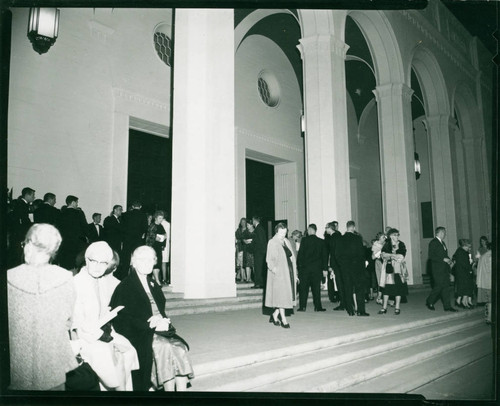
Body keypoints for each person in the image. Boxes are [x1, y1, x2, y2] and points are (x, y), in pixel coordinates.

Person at [110, 246, 194, 391]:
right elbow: (121, 319)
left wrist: (163, 321)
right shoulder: (125, 286)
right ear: (133, 262)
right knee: (165, 347)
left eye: (151, 259)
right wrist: (147, 324)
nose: (147, 263)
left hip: (159, 331)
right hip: (139, 333)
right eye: (143, 259)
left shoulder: (153, 284)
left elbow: (160, 311)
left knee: (180, 348)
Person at [7, 224, 78, 390]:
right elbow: (68, 321)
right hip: (52, 364)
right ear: (54, 250)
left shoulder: (9, 277)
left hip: (14, 367)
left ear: (29, 244)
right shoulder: (65, 278)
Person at [72, 242, 139, 391]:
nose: (97, 266)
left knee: (129, 351)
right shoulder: (76, 283)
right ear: (86, 260)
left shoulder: (101, 281)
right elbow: (76, 323)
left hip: (102, 331)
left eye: (103, 263)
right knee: (113, 357)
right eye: (93, 261)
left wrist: (109, 320)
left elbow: (102, 312)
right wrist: (103, 337)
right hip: (85, 338)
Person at [265, 223, 298, 328]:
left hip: (289, 273)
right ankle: (283, 319)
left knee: (284, 297)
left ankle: (275, 315)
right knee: (282, 297)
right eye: (281, 233)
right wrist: (274, 269)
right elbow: (269, 259)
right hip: (279, 274)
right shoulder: (272, 242)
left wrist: (295, 273)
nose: (283, 234)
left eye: (285, 232)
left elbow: (292, 257)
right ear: (276, 231)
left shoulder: (287, 241)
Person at [336, 221, 369, 316]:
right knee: (359, 289)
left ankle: (350, 310)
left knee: (347, 288)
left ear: (346, 227)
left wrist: (342, 266)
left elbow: (337, 254)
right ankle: (361, 310)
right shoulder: (357, 238)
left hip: (345, 268)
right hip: (357, 267)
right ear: (353, 227)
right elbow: (361, 253)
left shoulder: (340, 239)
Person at [425, 226, 457, 312]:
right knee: (438, 286)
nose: (445, 234)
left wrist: (449, 261)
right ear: (440, 232)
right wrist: (443, 259)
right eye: (444, 232)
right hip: (437, 269)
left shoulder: (442, 243)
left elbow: (444, 255)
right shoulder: (433, 242)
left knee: (446, 287)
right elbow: (431, 256)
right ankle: (429, 301)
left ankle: (447, 306)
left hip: (444, 269)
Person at [378, 229, 408, 315]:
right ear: (390, 236)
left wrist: (390, 255)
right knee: (386, 289)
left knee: (398, 288)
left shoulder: (401, 244)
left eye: (398, 235)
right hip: (389, 269)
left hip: (398, 270)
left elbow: (401, 256)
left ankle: (397, 307)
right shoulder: (387, 244)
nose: (397, 236)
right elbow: (383, 255)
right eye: (395, 235)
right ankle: (384, 307)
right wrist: (393, 255)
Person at [297, 224, 327, 312]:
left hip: (305, 269)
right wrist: (324, 269)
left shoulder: (304, 240)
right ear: (315, 230)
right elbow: (324, 257)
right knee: (316, 289)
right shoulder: (321, 241)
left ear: (310, 230)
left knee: (303, 289)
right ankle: (318, 307)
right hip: (317, 269)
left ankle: (302, 307)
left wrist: (299, 267)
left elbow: (300, 255)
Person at [57, 195, 89, 270]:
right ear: (73, 202)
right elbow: (85, 227)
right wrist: (86, 237)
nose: (77, 204)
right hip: (77, 243)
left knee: (65, 266)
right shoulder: (79, 213)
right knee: (76, 266)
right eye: (77, 202)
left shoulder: (60, 213)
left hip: (64, 244)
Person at [7, 187, 35, 267]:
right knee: (18, 257)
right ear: (27, 195)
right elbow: (23, 222)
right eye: (33, 195)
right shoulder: (22, 205)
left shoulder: (23, 205)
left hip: (18, 234)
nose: (34, 197)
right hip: (20, 235)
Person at [121, 201, 148, 280]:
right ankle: (137, 276)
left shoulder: (126, 214)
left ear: (132, 206)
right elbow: (145, 227)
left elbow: (122, 227)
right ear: (140, 206)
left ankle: (124, 276)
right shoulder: (143, 215)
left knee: (126, 258)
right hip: (138, 240)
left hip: (127, 239)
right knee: (137, 257)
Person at [325, 222, 344, 309]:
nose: (325, 229)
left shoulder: (333, 237)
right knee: (340, 283)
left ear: (330, 228)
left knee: (339, 284)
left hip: (336, 264)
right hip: (339, 263)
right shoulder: (338, 236)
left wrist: (331, 265)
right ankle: (343, 302)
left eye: (326, 228)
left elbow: (333, 253)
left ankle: (343, 304)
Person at [145, 210, 167, 285]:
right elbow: (149, 236)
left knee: (158, 263)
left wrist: (164, 237)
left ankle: (155, 280)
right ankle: (157, 280)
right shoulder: (152, 225)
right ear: (156, 218)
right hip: (153, 247)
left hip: (158, 247)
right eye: (160, 218)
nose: (161, 220)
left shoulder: (161, 226)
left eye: (162, 218)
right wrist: (155, 237)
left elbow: (165, 234)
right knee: (154, 263)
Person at [452, 239, 474, 309]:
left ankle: (460, 301)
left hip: (460, 272)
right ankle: (464, 302)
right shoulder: (462, 253)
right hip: (463, 272)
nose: (469, 248)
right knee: (465, 287)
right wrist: (470, 268)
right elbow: (465, 264)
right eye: (468, 247)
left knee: (462, 287)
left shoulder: (459, 251)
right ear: (464, 246)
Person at [476, 242, 492, 324]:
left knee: (489, 302)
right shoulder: (491, 256)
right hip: (491, 283)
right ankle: (489, 318)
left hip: (484, 283)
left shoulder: (482, 257)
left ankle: (488, 318)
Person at [251, 216, 267, 289]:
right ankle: (259, 283)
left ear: (255, 220)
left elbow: (260, 241)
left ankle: (258, 283)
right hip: (260, 252)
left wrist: (252, 243)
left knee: (258, 267)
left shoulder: (258, 229)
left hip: (259, 252)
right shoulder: (260, 228)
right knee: (259, 267)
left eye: (252, 220)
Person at [371, 232, 387, 305]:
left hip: (385, 262)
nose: (385, 238)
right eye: (383, 237)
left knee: (386, 280)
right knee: (381, 280)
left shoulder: (385, 244)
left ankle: (384, 297)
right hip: (379, 263)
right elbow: (373, 257)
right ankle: (379, 297)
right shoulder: (376, 245)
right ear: (379, 238)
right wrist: (381, 251)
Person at [235, 218, 247, 282]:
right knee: (241, 263)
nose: (242, 223)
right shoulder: (238, 230)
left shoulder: (248, 229)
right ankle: (242, 277)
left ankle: (247, 277)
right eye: (241, 222)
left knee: (246, 264)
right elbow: (237, 238)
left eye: (244, 222)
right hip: (240, 249)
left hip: (247, 249)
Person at [160, 217, 171, 286]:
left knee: (162, 262)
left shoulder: (161, 224)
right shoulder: (169, 224)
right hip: (168, 245)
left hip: (162, 244)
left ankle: (163, 278)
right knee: (166, 263)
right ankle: (166, 278)